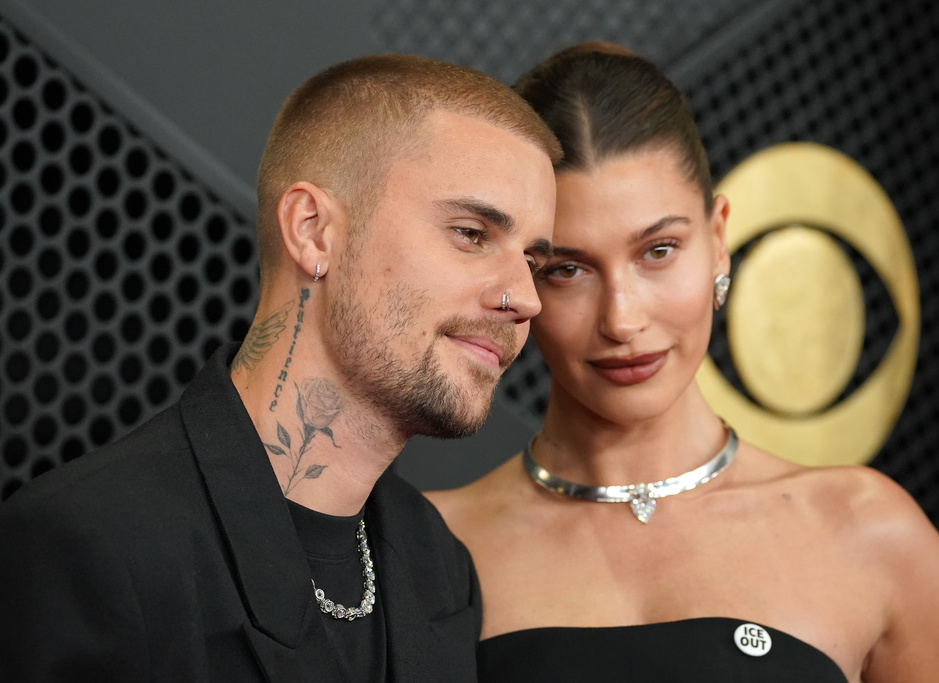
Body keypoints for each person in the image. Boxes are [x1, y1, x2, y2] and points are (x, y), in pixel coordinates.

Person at [426, 43, 939, 682]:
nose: (622, 320)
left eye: (659, 250)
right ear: (521, 275)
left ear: (720, 239)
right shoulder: (432, 549)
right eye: (568, 269)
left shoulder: (865, 530)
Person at [0, 54, 559, 681]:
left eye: (533, 263)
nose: (526, 298)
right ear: (312, 231)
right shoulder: (87, 546)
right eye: (472, 233)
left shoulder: (439, 568)